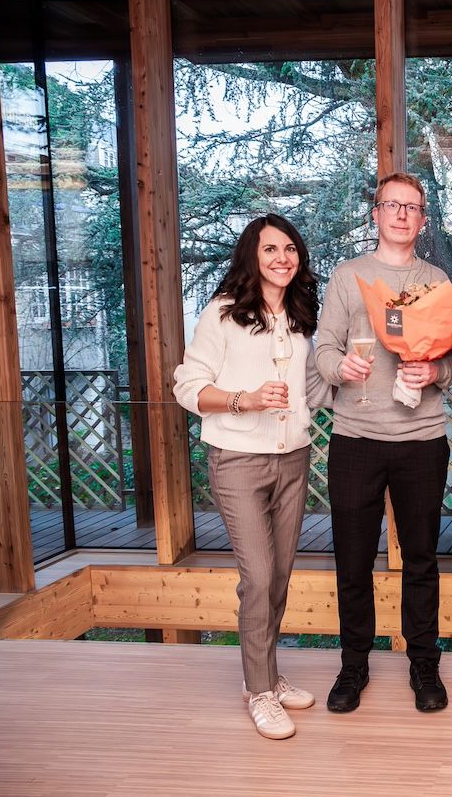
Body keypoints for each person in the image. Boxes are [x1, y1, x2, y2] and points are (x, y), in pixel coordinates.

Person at [174, 213, 325, 740]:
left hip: (293, 458)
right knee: (258, 577)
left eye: (290, 249)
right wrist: (246, 400)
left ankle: (266, 675)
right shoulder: (222, 313)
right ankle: (259, 691)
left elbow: (312, 388)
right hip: (237, 459)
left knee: (278, 577)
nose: (283, 258)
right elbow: (187, 387)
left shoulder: (301, 315)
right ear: (251, 257)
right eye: (270, 249)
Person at [314, 173, 452, 714]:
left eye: (411, 207)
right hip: (355, 439)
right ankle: (354, 665)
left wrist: (435, 371)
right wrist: (341, 368)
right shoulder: (347, 276)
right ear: (375, 214)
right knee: (353, 562)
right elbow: (324, 349)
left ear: (423, 219)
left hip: (422, 439)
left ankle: (424, 663)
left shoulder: (437, 281)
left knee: (421, 559)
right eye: (391, 205)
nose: (401, 214)